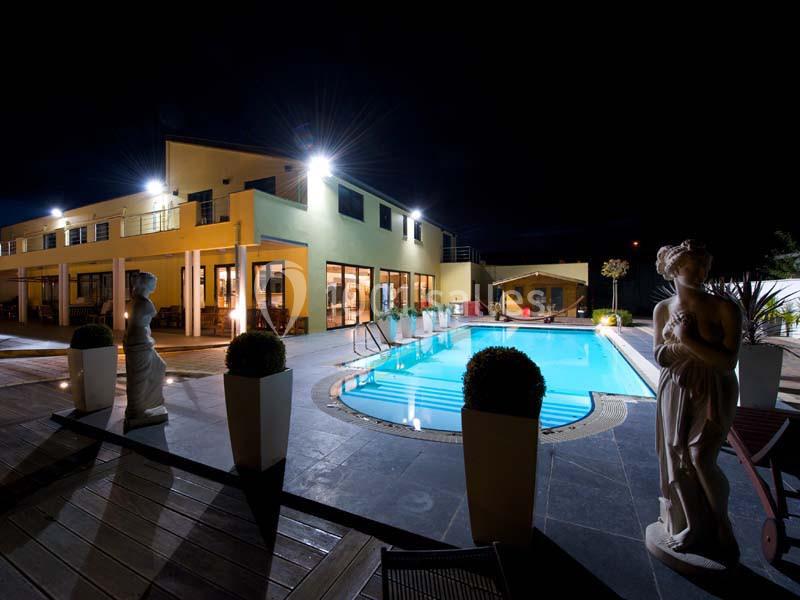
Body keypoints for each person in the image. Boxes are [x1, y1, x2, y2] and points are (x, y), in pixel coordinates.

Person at [651, 240, 740, 559]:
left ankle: (721, 523)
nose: (700, 273)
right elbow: (660, 355)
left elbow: (727, 362)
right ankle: (692, 525)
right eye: (692, 267)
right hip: (675, 386)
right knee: (676, 460)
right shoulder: (663, 309)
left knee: (702, 457)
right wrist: (679, 347)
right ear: (675, 271)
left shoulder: (723, 308)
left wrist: (686, 340)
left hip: (713, 388)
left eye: (704, 266)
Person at [123, 271, 168, 430]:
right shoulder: (144, 303)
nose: (155, 284)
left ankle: (143, 405)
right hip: (140, 343)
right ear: (145, 284)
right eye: (153, 282)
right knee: (139, 377)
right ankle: (137, 410)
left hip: (137, 341)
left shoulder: (134, 301)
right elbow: (141, 323)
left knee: (158, 366)